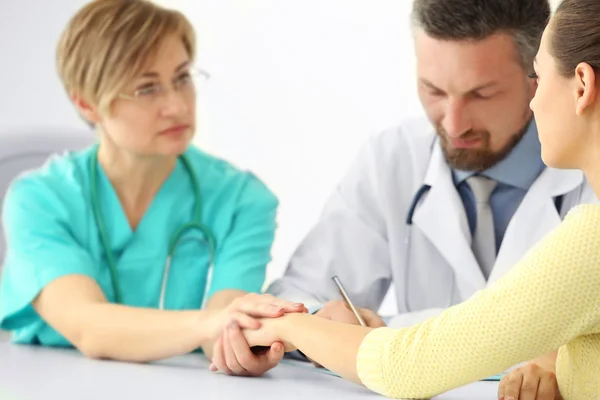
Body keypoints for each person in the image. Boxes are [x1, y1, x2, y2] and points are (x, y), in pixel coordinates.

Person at [213, 0, 600, 398]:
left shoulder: (590, 215)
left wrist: (313, 331)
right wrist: (312, 323)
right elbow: (300, 293)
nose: (453, 123)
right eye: (433, 90)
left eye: (482, 94)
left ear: (557, 81)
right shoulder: (392, 158)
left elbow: (416, 362)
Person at [0, 0, 307, 363]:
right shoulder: (40, 200)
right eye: (147, 89)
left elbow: (225, 335)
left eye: (181, 78)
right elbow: (88, 326)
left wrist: (253, 341)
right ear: (86, 104)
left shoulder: (243, 201)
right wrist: (212, 324)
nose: (176, 106)